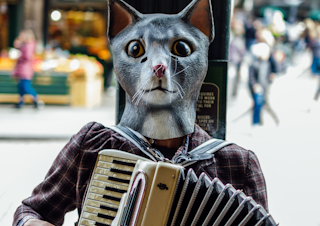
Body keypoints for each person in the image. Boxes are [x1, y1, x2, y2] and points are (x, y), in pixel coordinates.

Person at [13, 1, 269, 226]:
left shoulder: (237, 164)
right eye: (136, 50)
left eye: (180, 49)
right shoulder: (92, 145)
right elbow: (31, 210)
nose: (159, 66)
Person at [11, 29, 43, 109]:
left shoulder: (29, 44)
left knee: (26, 86)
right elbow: (17, 47)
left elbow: (27, 56)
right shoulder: (24, 44)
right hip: (22, 68)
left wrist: (20, 56)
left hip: (26, 69)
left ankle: (36, 99)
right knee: (21, 86)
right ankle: (20, 101)